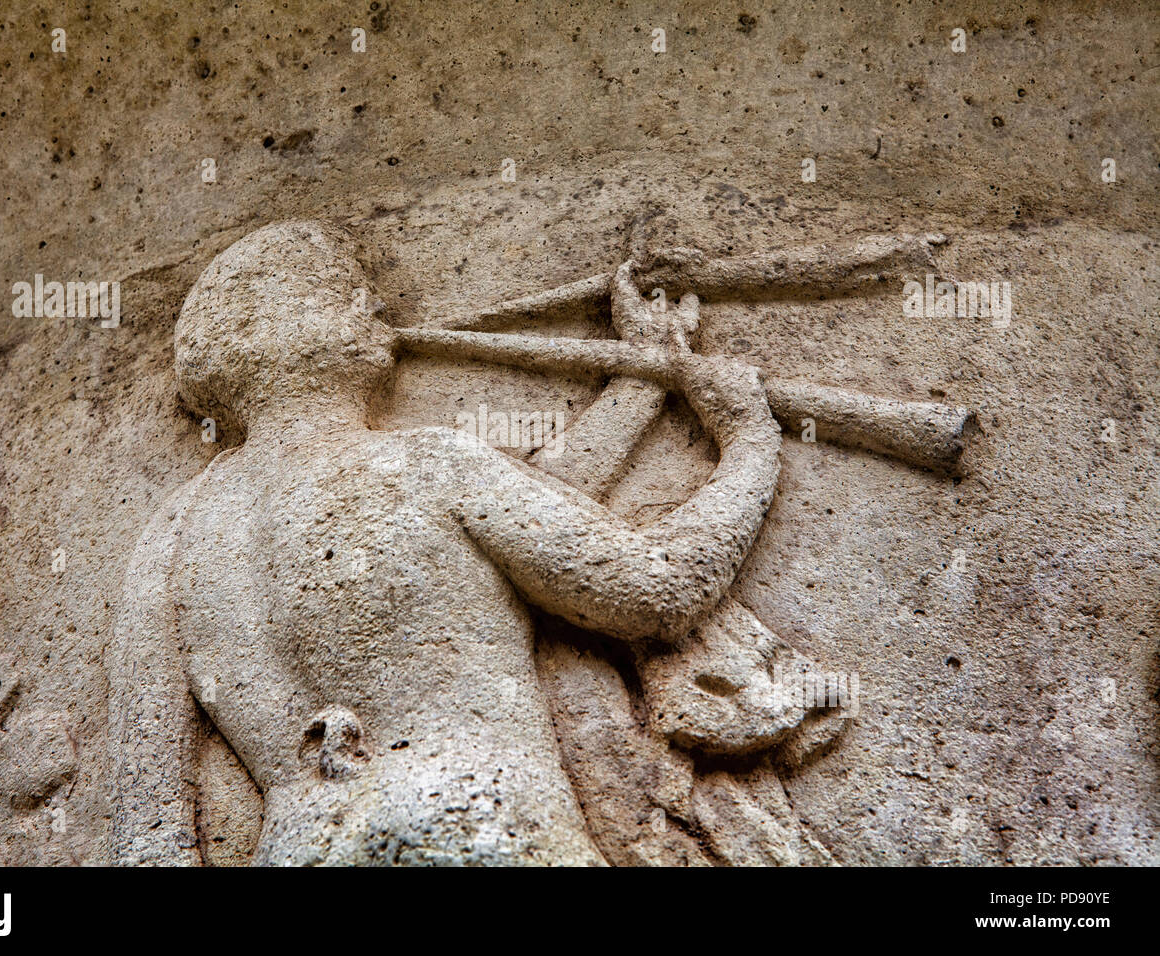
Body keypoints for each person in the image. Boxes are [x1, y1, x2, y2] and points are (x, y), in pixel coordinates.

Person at [109, 220, 780, 865]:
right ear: (273, 328)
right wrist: (749, 440)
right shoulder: (429, 463)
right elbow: (654, 589)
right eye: (343, 288)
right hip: (477, 826)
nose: (374, 303)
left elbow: (148, 832)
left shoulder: (169, 543)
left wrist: (639, 383)